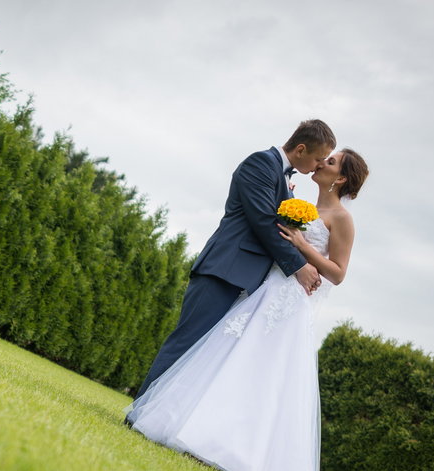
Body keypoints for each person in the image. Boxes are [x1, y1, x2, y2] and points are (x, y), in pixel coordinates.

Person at [125, 148, 370, 471]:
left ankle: (245, 456)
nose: (322, 163)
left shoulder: (342, 218)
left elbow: (338, 273)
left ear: (342, 178)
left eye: (330, 162)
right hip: (265, 288)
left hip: (292, 302)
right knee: (230, 360)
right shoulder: (297, 201)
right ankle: (199, 434)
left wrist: (303, 245)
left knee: (266, 374)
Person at [131, 120, 336, 403]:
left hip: (246, 277)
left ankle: (164, 410)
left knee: (204, 353)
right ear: (301, 149)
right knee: (187, 341)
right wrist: (299, 267)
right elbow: (263, 222)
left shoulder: (280, 176)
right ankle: (141, 410)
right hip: (224, 268)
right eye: (317, 158)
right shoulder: (260, 163)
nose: (317, 166)